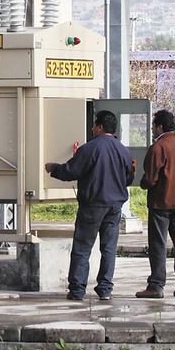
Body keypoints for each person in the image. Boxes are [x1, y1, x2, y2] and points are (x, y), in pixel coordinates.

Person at [44, 110, 135, 301]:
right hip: (115, 206)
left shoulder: (90, 148)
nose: (92, 128)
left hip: (93, 205)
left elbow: (71, 171)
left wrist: (53, 168)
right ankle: (105, 289)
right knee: (109, 248)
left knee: (83, 247)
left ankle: (77, 290)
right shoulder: (123, 150)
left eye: (94, 125)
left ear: (100, 127)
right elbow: (129, 177)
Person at [135, 109, 175, 299]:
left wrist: (143, 183)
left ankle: (156, 285)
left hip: (161, 203)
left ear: (160, 126)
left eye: (153, 126)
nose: (153, 129)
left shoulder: (158, 147)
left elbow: (151, 178)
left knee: (158, 244)